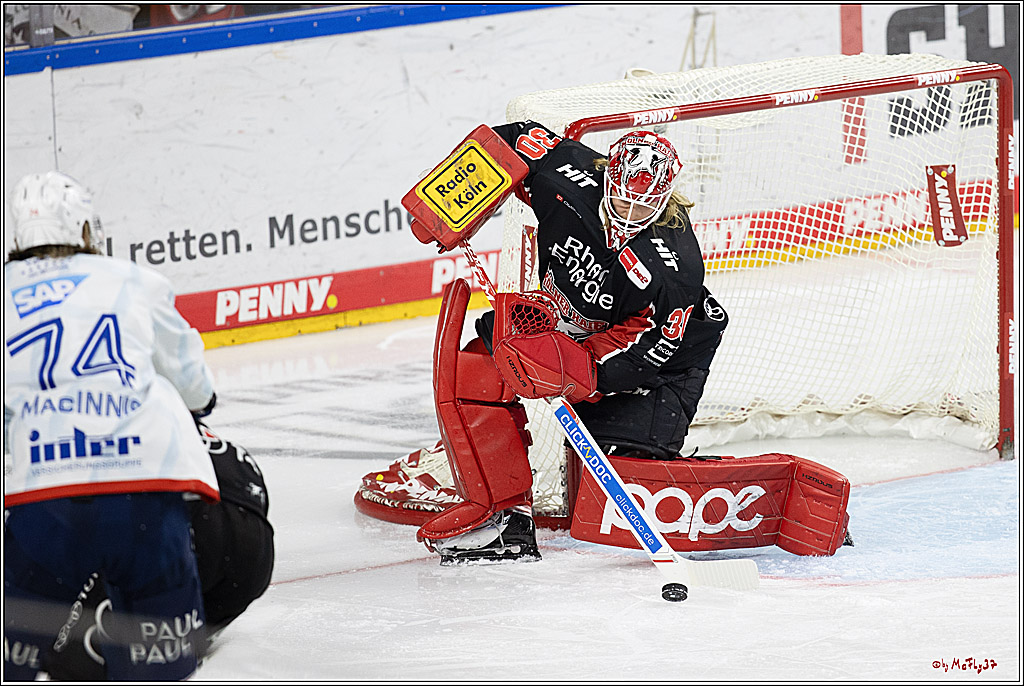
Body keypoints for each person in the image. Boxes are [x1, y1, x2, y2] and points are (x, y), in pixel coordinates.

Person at [406, 122, 728, 566]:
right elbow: (511, 139)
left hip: (660, 364)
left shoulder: (675, 266)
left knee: (621, 485)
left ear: (665, 197)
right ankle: (501, 521)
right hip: (557, 320)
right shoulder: (568, 174)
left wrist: (579, 370)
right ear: (607, 177)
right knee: (474, 376)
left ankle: (722, 500)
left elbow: (652, 346)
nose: (628, 214)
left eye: (644, 205)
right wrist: (443, 201)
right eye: (621, 197)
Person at [4, 171, 218, 680]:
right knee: (160, 667)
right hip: (145, 494)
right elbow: (194, 386)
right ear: (84, 231)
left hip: (42, 502)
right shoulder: (135, 280)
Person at [36, 421, 275, 681]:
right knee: (152, 656)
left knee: (80, 659)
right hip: (253, 550)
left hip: (190, 522)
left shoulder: (79, 425)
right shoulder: (161, 413)